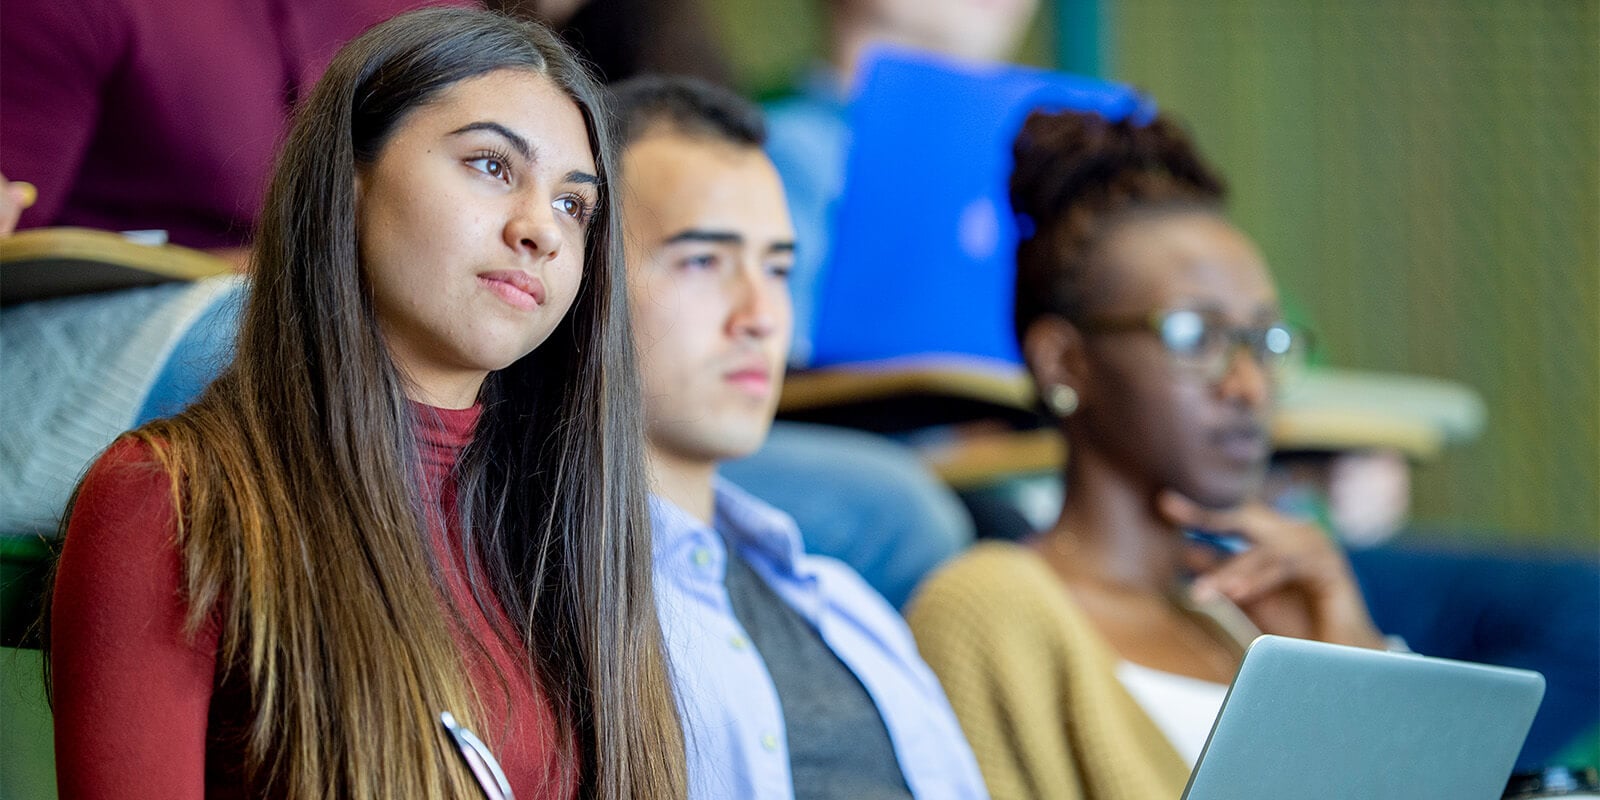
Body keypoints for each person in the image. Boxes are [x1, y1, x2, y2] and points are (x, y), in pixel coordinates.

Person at [45, 9, 685, 798]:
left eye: (572, 206)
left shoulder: (572, 522)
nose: (540, 232)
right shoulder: (169, 499)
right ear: (347, 186)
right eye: (490, 165)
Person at [904, 108, 1388, 800]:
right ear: (1064, 362)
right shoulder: (987, 608)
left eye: (1266, 340)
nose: (1248, 386)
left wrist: (1351, 656)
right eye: (1195, 335)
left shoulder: (1247, 624)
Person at [609, 74, 988, 799]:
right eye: (703, 260)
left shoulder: (846, 606)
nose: (761, 315)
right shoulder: (552, 614)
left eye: (778, 268)